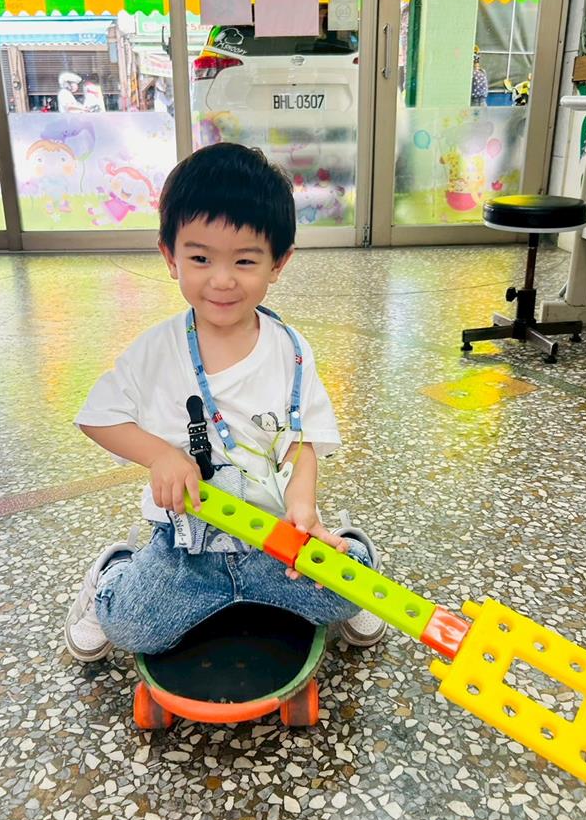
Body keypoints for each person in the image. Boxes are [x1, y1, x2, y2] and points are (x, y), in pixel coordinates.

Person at [64, 142, 388, 662]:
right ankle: (114, 571)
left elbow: (301, 441)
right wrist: (160, 455)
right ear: (170, 256)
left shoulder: (290, 351)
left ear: (278, 263)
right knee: (130, 626)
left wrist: (303, 507)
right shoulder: (155, 350)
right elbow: (97, 418)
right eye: (200, 258)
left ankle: (350, 542)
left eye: (244, 260)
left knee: (353, 589)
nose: (221, 279)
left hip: (274, 542)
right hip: (185, 548)